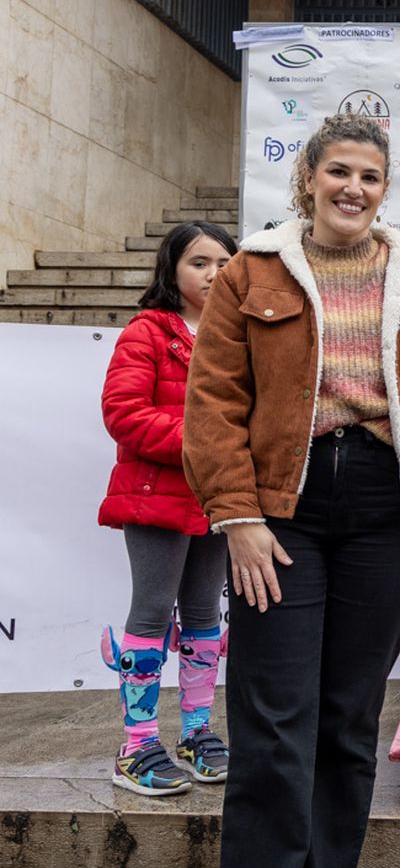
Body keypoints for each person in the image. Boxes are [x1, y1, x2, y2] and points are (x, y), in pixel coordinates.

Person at [185, 114, 400, 868]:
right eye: (339, 172)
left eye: (370, 176)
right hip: (280, 512)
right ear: (309, 178)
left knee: (350, 720)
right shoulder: (249, 275)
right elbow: (213, 405)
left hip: (387, 512)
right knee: (274, 723)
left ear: (386, 189)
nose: (353, 188)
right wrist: (239, 519)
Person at [98, 220, 237, 796]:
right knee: (153, 614)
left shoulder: (239, 335)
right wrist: (206, 438)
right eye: (199, 263)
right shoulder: (148, 331)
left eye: (224, 264)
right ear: (172, 270)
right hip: (156, 497)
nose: (213, 274)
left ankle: (197, 733)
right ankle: (136, 747)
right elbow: (123, 413)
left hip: (219, 497)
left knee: (205, 614)